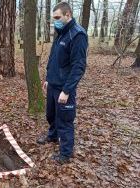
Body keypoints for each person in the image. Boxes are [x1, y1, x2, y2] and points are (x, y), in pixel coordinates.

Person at [37, 2, 88, 164]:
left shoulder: (78, 35)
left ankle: (65, 154)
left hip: (64, 88)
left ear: (68, 15)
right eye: (54, 18)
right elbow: (53, 58)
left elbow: (78, 67)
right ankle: (52, 137)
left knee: (64, 121)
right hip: (53, 84)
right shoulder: (60, 32)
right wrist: (48, 78)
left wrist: (66, 91)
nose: (55, 21)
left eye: (58, 18)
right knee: (50, 115)